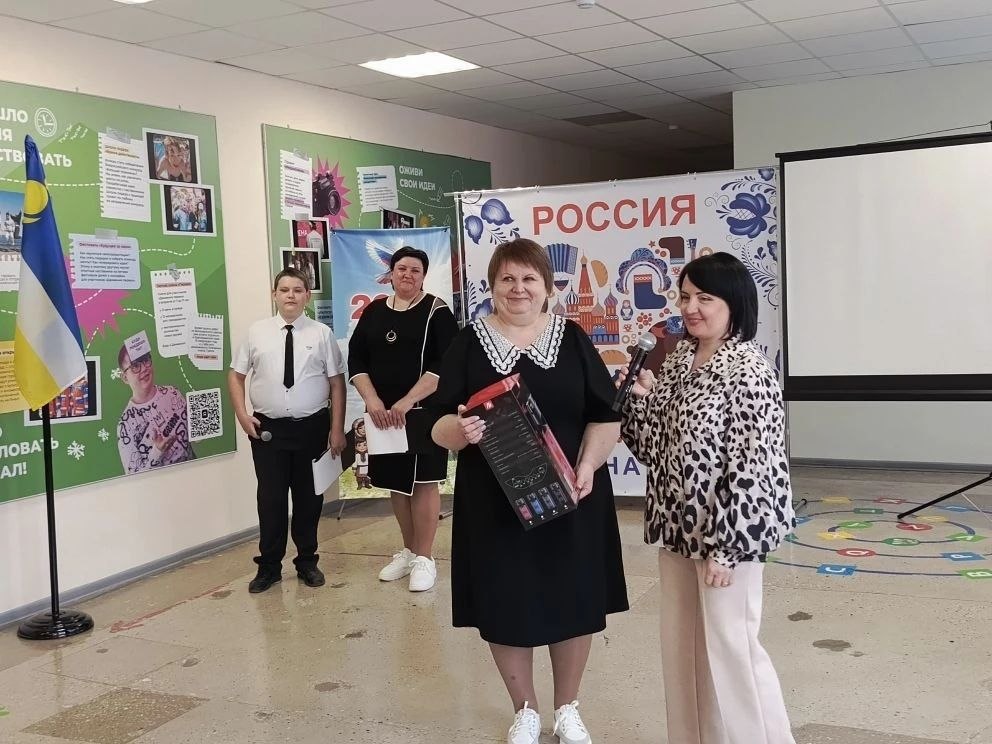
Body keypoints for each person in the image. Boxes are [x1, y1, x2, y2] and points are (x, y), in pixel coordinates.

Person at [430, 238, 628, 744]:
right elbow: (438, 426)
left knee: (573, 598)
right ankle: (525, 710)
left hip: (572, 496)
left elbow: (606, 416)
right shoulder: (468, 343)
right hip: (494, 504)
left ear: (547, 287)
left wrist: (588, 465)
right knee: (505, 602)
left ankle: (567, 708)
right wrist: (460, 431)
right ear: (492, 286)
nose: (518, 289)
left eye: (528, 279)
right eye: (507, 279)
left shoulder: (573, 339)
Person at [618, 251, 796, 744]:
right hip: (678, 531)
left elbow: (755, 465)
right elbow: (655, 448)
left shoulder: (749, 370)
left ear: (733, 303)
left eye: (705, 298)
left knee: (734, 651)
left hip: (726, 537)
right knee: (684, 653)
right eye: (685, 297)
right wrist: (638, 402)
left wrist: (728, 547)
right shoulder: (679, 358)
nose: (691, 308)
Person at [228, 267, 347, 594]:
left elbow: (337, 383)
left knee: (309, 499)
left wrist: (337, 428)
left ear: (307, 295)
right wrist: (242, 416)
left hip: (312, 429)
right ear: (274, 295)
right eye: (284, 290)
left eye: (297, 290)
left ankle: (307, 561)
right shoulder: (257, 332)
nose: (290, 295)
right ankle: (269, 567)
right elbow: (236, 376)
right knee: (271, 499)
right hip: (268, 431)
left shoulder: (321, 334)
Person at [348, 246, 458, 592]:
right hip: (384, 416)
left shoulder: (437, 311)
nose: (407, 275)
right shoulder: (374, 311)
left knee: (423, 482)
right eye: (401, 269)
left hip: (424, 412)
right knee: (396, 483)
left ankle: (425, 558)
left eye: (415, 270)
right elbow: (356, 359)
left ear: (423, 276)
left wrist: (409, 400)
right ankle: (409, 552)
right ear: (391, 273)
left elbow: (446, 363)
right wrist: (372, 400)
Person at [117, 347, 195, 473]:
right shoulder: (125, 425)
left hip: (195, 475)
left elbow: (194, 434)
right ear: (125, 377)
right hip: (161, 484)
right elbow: (135, 478)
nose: (144, 368)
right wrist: (157, 452)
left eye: (146, 360)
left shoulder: (173, 393)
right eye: (135, 366)